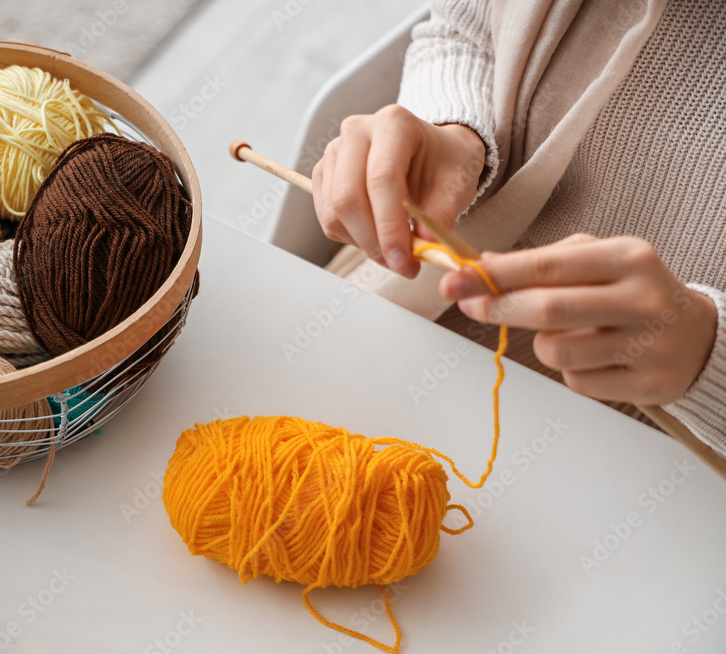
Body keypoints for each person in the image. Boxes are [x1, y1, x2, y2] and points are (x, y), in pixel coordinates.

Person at [311, 0, 726, 452]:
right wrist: (452, 126)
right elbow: (467, 29)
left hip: (662, 427)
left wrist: (707, 354)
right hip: (409, 270)